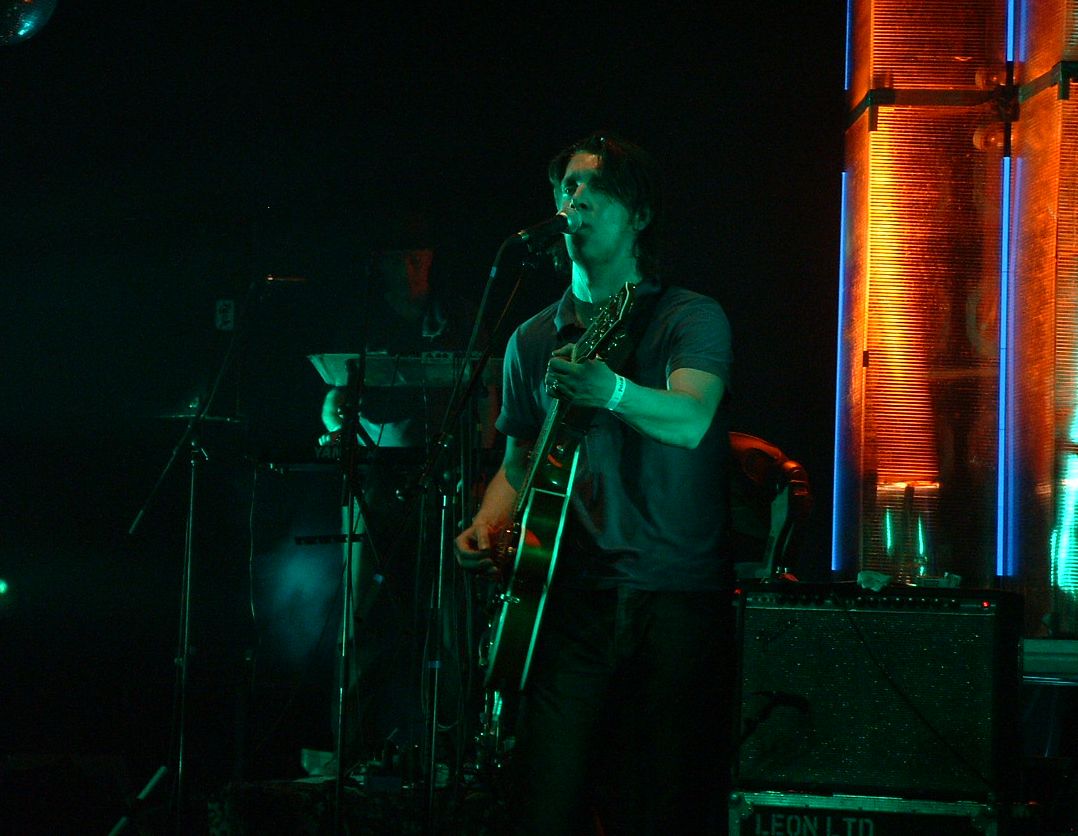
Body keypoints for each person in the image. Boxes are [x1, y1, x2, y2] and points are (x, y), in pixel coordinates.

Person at [455, 134, 735, 835]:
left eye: (595, 187)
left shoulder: (686, 316)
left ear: (639, 214)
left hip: (672, 596)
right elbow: (521, 461)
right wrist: (486, 522)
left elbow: (691, 419)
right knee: (545, 804)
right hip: (568, 600)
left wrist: (611, 391)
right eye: (566, 188)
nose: (574, 200)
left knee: (659, 807)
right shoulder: (531, 339)